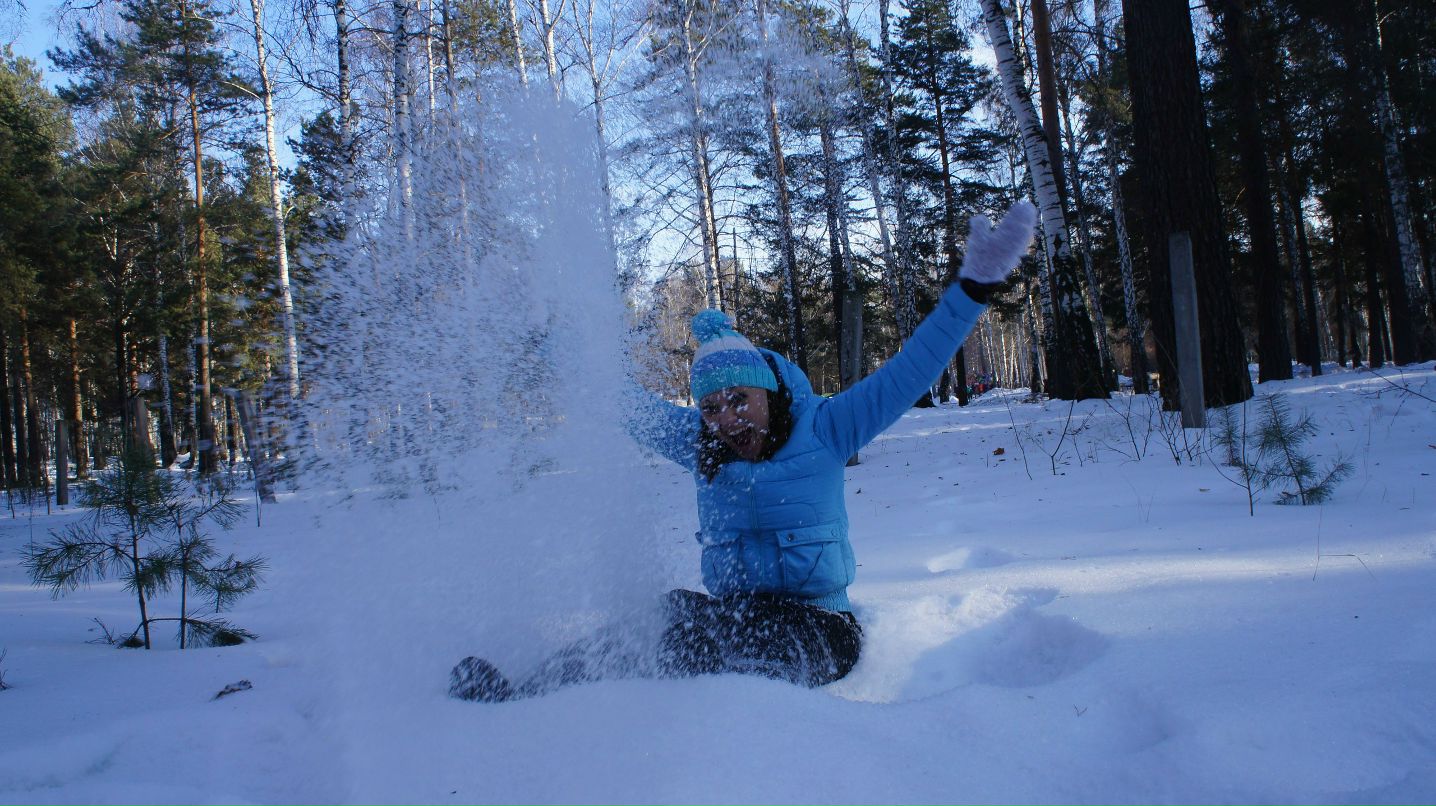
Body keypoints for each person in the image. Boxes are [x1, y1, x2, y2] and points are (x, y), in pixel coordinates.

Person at [449, 200, 1037, 702]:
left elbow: (912, 371)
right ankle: (528, 693)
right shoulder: (698, 442)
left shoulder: (828, 428)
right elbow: (616, 400)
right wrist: (543, 337)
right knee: (659, 620)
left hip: (819, 626)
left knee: (708, 653)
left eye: (739, 401)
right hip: (733, 614)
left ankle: (723, 750)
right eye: (712, 408)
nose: (727, 420)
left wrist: (973, 289)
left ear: (767, 391)